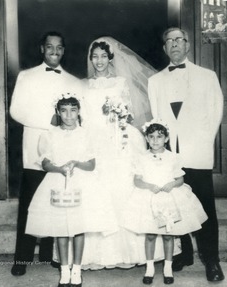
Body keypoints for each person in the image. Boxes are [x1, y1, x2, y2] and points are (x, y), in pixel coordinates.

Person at [72, 37, 181, 269]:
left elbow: (130, 113)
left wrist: (119, 119)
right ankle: (94, 254)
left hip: (117, 139)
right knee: (96, 192)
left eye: (103, 56)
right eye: (95, 56)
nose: (99, 61)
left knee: (124, 187)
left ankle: (135, 252)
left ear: (111, 58)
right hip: (93, 141)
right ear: (90, 59)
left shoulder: (121, 82)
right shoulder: (83, 84)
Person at [148, 27, 225, 282]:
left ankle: (211, 260)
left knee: (204, 207)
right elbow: (158, 119)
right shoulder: (155, 81)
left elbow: (215, 112)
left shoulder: (207, 76)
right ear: (165, 48)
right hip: (171, 156)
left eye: (179, 40)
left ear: (187, 45)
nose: (174, 44)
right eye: (169, 41)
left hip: (198, 152)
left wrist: (202, 141)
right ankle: (185, 253)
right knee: (176, 204)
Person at [9, 31, 81, 276]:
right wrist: (51, 121)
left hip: (63, 153)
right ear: (42, 49)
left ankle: (52, 255)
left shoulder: (74, 81)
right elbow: (16, 111)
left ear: (63, 50)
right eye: (49, 47)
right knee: (29, 204)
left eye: (59, 47)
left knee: (57, 203)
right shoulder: (26, 76)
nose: (54, 51)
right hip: (35, 151)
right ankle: (22, 258)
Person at [25, 95, 116, 287]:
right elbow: (46, 163)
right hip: (58, 182)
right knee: (61, 229)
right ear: (58, 112)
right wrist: (60, 169)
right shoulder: (50, 134)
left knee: (79, 227)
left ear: (79, 112)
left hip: (82, 183)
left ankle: (77, 270)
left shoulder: (86, 134)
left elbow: (91, 165)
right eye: (64, 110)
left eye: (73, 110)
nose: (69, 115)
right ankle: (64, 270)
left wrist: (76, 163)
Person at [122, 120, 207, 285]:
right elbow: (137, 180)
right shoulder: (141, 157)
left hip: (169, 198)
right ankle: (150, 268)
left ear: (166, 138)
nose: (155, 140)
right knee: (151, 234)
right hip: (149, 198)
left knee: (169, 235)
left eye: (159, 137)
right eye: (151, 137)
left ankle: (168, 268)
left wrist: (172, 184)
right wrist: (148, 186)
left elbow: (180, 178)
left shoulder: (173, 157)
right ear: (146, 138)